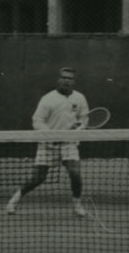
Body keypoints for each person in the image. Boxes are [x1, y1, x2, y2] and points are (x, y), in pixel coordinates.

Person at [6, 67, 91, 217]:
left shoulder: (80, 98)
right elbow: (37, 121)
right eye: (64, 77)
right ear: (58, 80)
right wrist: (51, 137)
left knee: (75, 174)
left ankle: (77, 205)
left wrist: (78, 129)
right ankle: (14, 200)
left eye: (69, 78)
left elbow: (84, 119)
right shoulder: (48, 99)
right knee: (37, 178)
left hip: (69, 145)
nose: (66, 80)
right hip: (47, 145)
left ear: (74, 82)